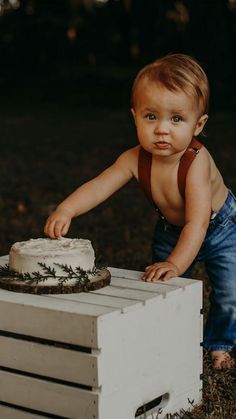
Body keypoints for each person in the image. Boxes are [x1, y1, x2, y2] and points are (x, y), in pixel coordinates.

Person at [44, 53, 236, 369]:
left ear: (198, 125)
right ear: (135, 117)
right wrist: (67, 209)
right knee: (162, 287)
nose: (162, 129)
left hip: (218, 227)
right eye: (151, 117)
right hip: (172, 228)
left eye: (176, 119)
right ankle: (168, 340)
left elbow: (198, 222)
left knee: (228, 292)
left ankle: (219, 344)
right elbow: (98, 186)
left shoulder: (196, 161)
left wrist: (176, 262)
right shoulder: (134, 158)